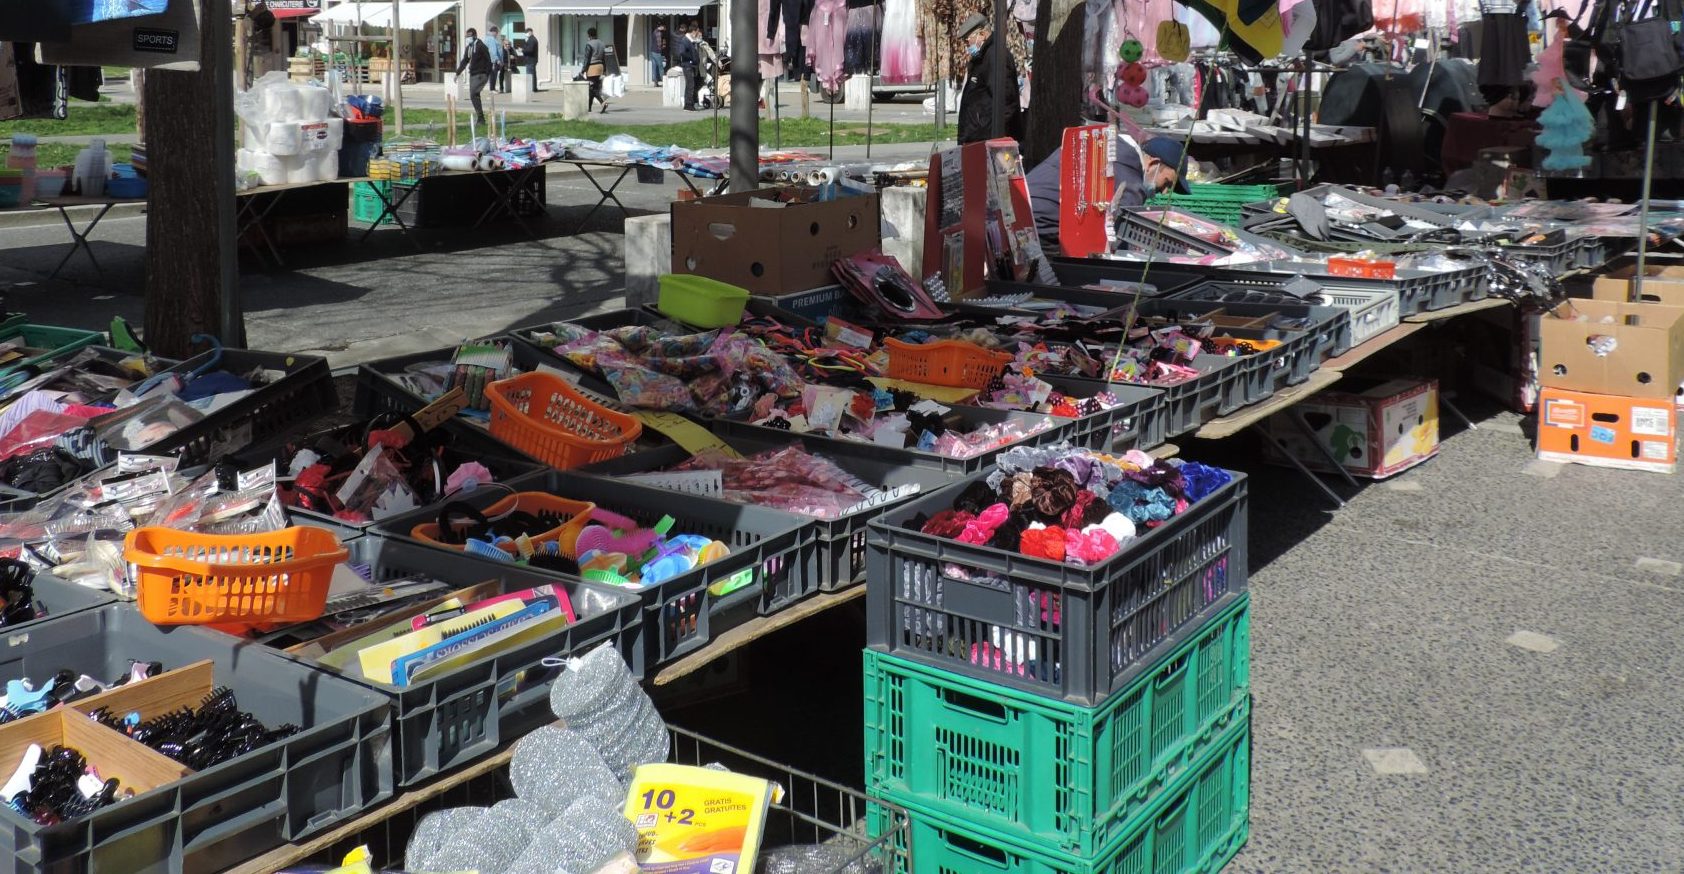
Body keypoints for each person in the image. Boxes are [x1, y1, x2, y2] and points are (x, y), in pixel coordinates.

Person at [1024, 135, 1192, 253]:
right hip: (1042, 226)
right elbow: (1118, 238)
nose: (1164, 191)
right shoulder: (1130, 182)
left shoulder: (1113, 145)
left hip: (1023, 206)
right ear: (1153, 163)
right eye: (1167, 182)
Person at [955, 13, 1021, 145]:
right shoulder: (982, 57)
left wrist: (993, 137)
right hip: (978, 137)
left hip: (988, 139)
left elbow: (1007, 101)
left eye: (968, 40)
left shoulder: (995, 57)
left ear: (983, 34)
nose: (967, 45)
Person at [456, 27, 493, 127]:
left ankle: (481, 118)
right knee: (474, 96)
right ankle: (480, 118)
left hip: (481, 74)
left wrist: (487, 73)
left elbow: (489, 60)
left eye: (469, 36)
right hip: (473, 74)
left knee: (473, 94)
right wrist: (457, 73)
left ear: (475, 36)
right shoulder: (469, 48)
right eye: (466, 37)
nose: (468, 38)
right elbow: (465, 61)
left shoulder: (481, 46)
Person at [676, 25, 702, 110]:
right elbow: (682, 52)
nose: (697, 34)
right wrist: (691, 58)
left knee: (691, 85)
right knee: (690, 85)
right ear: (693, 31)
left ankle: (690, 103)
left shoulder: (691, 41)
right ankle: (688, 104)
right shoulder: (685, 41)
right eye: (697, 32)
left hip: (691, 65)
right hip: (687, 65)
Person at [584, 27, 609, 113]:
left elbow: (587, 58)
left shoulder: (589, 44)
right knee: (593, 88)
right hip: (600, 67)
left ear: (589, 35)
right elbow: (604, 58)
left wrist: (584, 69)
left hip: (592, 68)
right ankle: (589, 108)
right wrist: (605, 69)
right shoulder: (602, 43)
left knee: (592, 89)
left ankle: (603, 103)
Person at [485, 25, 507, 93]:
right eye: (497, 33)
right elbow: (493, 50)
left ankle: (493, 88)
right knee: (493, 74)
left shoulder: (487, 38)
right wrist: (497, 60)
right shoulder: (491, 39)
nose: (497, 34)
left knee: (493, 74)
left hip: (490, 59)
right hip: (493, 60)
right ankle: (492, 89)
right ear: (494, 32)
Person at [524, 27, 540, 92]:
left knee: (530, 75)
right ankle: (534, 88)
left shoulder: (532, 40)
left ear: (530, 32)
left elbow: (530, 50)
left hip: (530, 60)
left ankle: (532, 88)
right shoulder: (532, 39)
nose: (526, 34)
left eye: (526, 33)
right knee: (533, 74)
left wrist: (522, 50)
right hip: (532, 60)